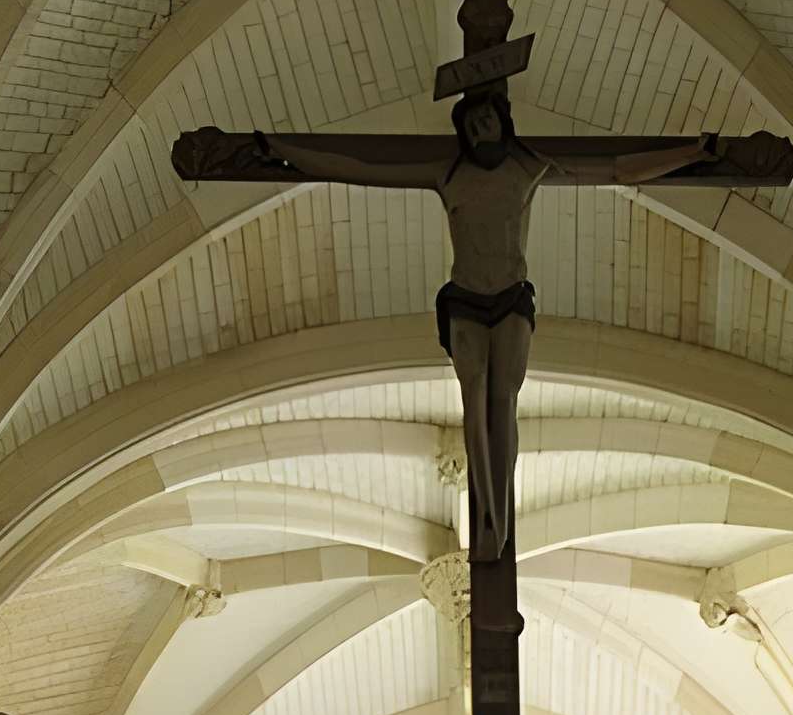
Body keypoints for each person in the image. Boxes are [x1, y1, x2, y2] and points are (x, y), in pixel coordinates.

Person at [191, 95, 719, 561]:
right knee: (474, 401)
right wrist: (282, 148)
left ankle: (501, 520)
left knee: (503, 403)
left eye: (488, 120)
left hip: (511, 300)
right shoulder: (449, 174)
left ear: (503, 123)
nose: (481, 130)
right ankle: (485, 519)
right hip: (466, 302)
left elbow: (620, 169)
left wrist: (691, 153)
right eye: (473, 125)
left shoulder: (530, 166)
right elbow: (355, 167)